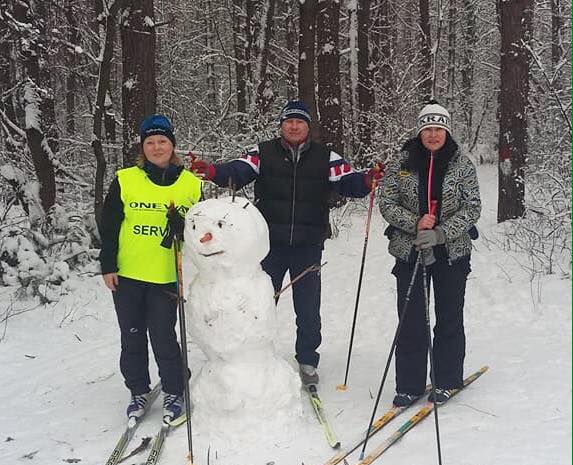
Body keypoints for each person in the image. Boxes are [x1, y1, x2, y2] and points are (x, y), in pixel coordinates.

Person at [190, 100, 381, 385]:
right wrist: (213, 171)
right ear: (281, 126)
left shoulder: (326, 156)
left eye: (299, 122)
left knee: (307, 306)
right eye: (288, 121)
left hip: (308, 244)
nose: (293, 126)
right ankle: (254, 355)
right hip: (270, 246)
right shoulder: (263, 153)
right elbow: (238, 171)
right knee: (260, 302)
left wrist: (367, 180)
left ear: (307, 126)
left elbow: (347, 181)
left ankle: (307, 359)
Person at [98, 114, 203, 421]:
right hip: (128, 275)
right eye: (150, 143)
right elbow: (109, 225)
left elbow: (203, 232)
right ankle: (138, 390)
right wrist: (108, 265)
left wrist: (184, 226)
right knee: (131, 336)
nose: (157, 148)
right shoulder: (126, 179)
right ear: (142, 148)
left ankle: (174, 389)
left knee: (163, 336)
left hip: (166, 276)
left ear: (172, 145)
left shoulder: (191, 184)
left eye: (162, 142)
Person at [379, 101, 481, 406]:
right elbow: (387, 202)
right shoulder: (403, 162)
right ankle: (409, 385)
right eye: (428, 128)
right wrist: (414, 223)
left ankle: (447, 380)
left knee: (449, 316)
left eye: (438, 129)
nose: (433, 134)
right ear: (420, 131)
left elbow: (472, 207)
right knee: (411, 319)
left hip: (452, 252)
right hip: (409, 252)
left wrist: (440, 232)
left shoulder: (461, 164)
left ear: (446, 131)